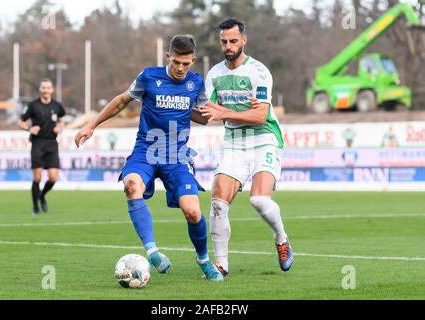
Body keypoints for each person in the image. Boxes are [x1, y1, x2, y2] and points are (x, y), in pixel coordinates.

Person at [74, 35, 223, 281]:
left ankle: (204, 260)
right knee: (131, 186)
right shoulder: (149, 77)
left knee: (193, 212)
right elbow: (122, 101)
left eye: (186, 64)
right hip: (145, 151)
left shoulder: (196, 83)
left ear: (193, 61)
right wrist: (91, 126)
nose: (181, 68)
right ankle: (152, 251)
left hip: (176, 156)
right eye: (176, 62)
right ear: (168, 57)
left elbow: (205, 117)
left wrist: (206, 111)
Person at [199, 18, 294, 277]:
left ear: (244, 40)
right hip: (234, 143)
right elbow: (209, 112)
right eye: (223, 42)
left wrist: (225, 112)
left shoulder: (259, 72)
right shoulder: (215, 74)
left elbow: (259, 117)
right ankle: (221, 265)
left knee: (260, 201)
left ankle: (281, 239)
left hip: (264, 139)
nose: (228, 46)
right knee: (217, 203)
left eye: (233, 41)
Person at [18, 79, 66, 215]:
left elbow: (62, 120)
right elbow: (20, 121)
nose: (46, 89)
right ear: (40, 89)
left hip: (52, 144)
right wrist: (29, 128)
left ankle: (42, 196)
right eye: (43, 87)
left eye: (48, 87)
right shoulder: (33, 105)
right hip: (37, 143)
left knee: (53, 178)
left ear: (52, 89)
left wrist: (60, 127)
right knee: (37, 177)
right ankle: (35, 208)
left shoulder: (57, 106)